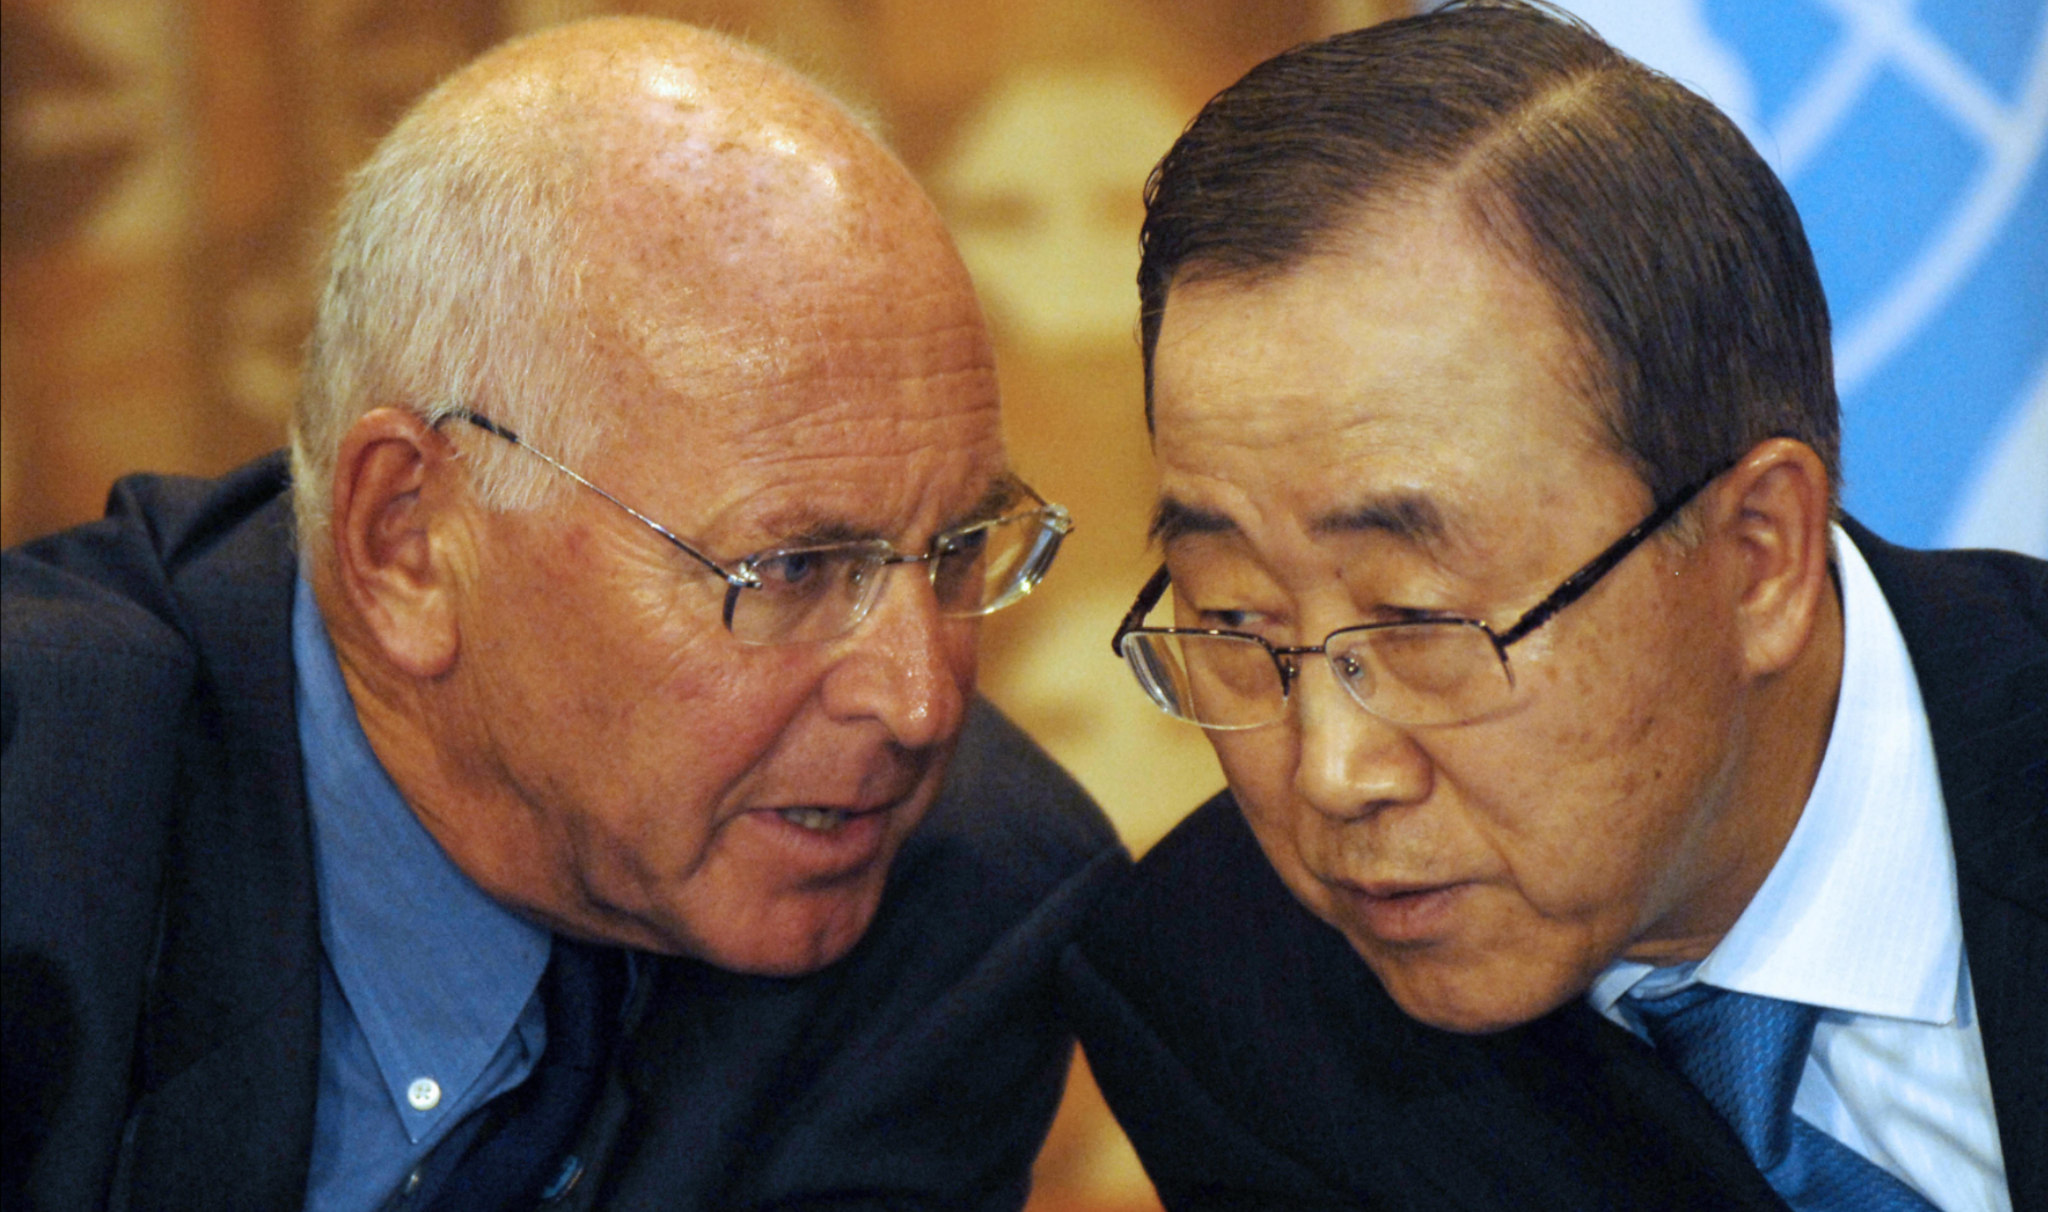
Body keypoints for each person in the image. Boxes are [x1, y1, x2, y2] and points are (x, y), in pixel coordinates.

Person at [1, 17, 1123, 1210]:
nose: (918, 699)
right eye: (793, 570)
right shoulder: (37, 798)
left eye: (957, 551)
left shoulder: (961, 913)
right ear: (410, 544)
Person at [1061, 4, 2045, 1211]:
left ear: (1756, 557)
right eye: (1236, 623)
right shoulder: (1228, 1005)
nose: (1332, 771)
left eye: (1415, 624)